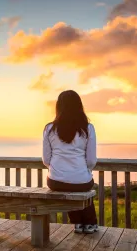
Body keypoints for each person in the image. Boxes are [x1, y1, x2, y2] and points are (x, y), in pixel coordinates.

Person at [42, 90, 98, 234]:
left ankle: (78, 223)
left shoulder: (49, 129)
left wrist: (58, 170)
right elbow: (91, 160)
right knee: (83, 186)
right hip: (82, 180)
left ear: (58, 107)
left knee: (69, 186)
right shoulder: (88, 128)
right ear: (79, 106)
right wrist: (84, 171)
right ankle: (89, 224)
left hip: (56, 181)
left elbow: (46, 160)